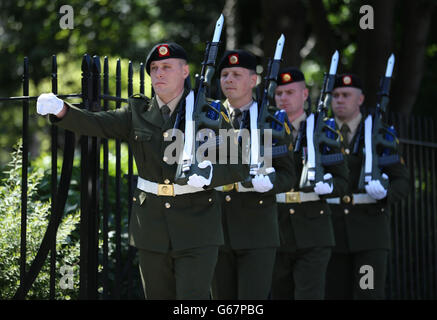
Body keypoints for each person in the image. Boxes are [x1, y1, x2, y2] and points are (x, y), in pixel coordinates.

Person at [36, 42, 248, 299]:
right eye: (155, 68)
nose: (159, 73)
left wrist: (209, 173)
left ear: (184, 72)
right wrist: (62, 110)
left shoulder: (211, 113)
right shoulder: (138, 112)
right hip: (152, 228)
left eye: (167, 67)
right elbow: (98, 123)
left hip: (198, 228)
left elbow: (238, 167)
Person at [210, 50, 296, 299]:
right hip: (216, 227)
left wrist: (268, 184)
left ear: (253, 80)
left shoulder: (272, 121)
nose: (228, 79)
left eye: (236, 74)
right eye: (224, 74)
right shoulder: (208, 117)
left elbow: (288, 175)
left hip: (257, 230)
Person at [325, 73, 410, 299]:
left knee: (367, 294)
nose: (339, 100)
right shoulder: (321, 133)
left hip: (369, 237)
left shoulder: (379, 135)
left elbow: (401, 181)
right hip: (331, 235)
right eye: (335, 95)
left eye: (345, 95)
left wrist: (385, 193)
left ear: (360, 100)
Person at [270, 67, 349, 299]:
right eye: (279, 93)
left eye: (290, 92)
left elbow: (343, 180)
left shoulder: (324, 129)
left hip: (314, 231)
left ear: (305, 95)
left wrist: (329, 186)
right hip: (276, 228)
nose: (283, 98)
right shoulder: (266, 129)